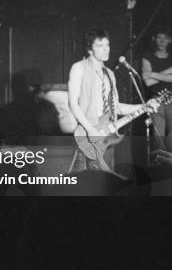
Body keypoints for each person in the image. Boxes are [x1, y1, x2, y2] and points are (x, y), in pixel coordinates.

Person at [68, 29, 159, 174]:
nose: (106, 49)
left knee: (105, 182)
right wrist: (90, 129)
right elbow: (72, 104)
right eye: (100, 46)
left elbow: (116, 107)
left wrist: (144, 106)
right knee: (82, 182)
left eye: (108, 45)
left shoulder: (109, 74)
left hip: (106, 137)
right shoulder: (79, 68)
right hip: (86, 135)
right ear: (90, 49)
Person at [142, 28, 172, 150]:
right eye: (159, 37)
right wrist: (169, 71)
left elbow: (149, 76)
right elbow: (147, 81)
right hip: (156, 100)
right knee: (158, 138)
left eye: (165, 38)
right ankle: (160, 166)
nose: (162, 41)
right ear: (154, 39)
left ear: (170, 40)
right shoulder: (147, 56)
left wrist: (152, 74)